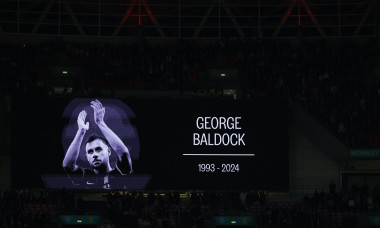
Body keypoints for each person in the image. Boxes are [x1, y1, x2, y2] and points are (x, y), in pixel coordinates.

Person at [62, 99, 133, 189]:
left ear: (109, 151)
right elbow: (67, 165)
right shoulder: (85, 176)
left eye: (98, 149)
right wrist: (81, 131)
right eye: (90, 152)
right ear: (87, 157)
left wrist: (100, 123)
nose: (95, 155)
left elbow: (124, 153)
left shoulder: (120, 173)